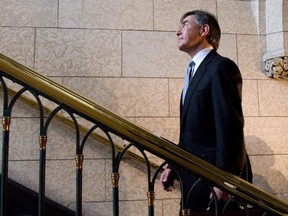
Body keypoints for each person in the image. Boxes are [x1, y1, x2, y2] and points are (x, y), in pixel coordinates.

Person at [160, 10, 252, 213]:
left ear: (204, 30)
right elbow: (192, 133)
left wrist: (225, 179)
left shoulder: (220, 67)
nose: (178, 31)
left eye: (184, 24)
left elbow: (230, 126)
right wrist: (173, 166)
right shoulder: (192, 71)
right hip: (193, 178)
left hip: (213, 181)